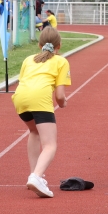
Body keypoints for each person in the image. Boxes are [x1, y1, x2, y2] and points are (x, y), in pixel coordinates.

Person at [11, 27, 71, 198]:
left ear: (39, 45)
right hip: (39, 99)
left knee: (34, 131)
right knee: (50, 144)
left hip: (20, 98)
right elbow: (59, 96)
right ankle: (36, 176)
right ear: (59, 46)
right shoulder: (61, 61)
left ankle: (35, 174)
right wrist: (63, 103)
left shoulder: (28, 59)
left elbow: (24, 81)